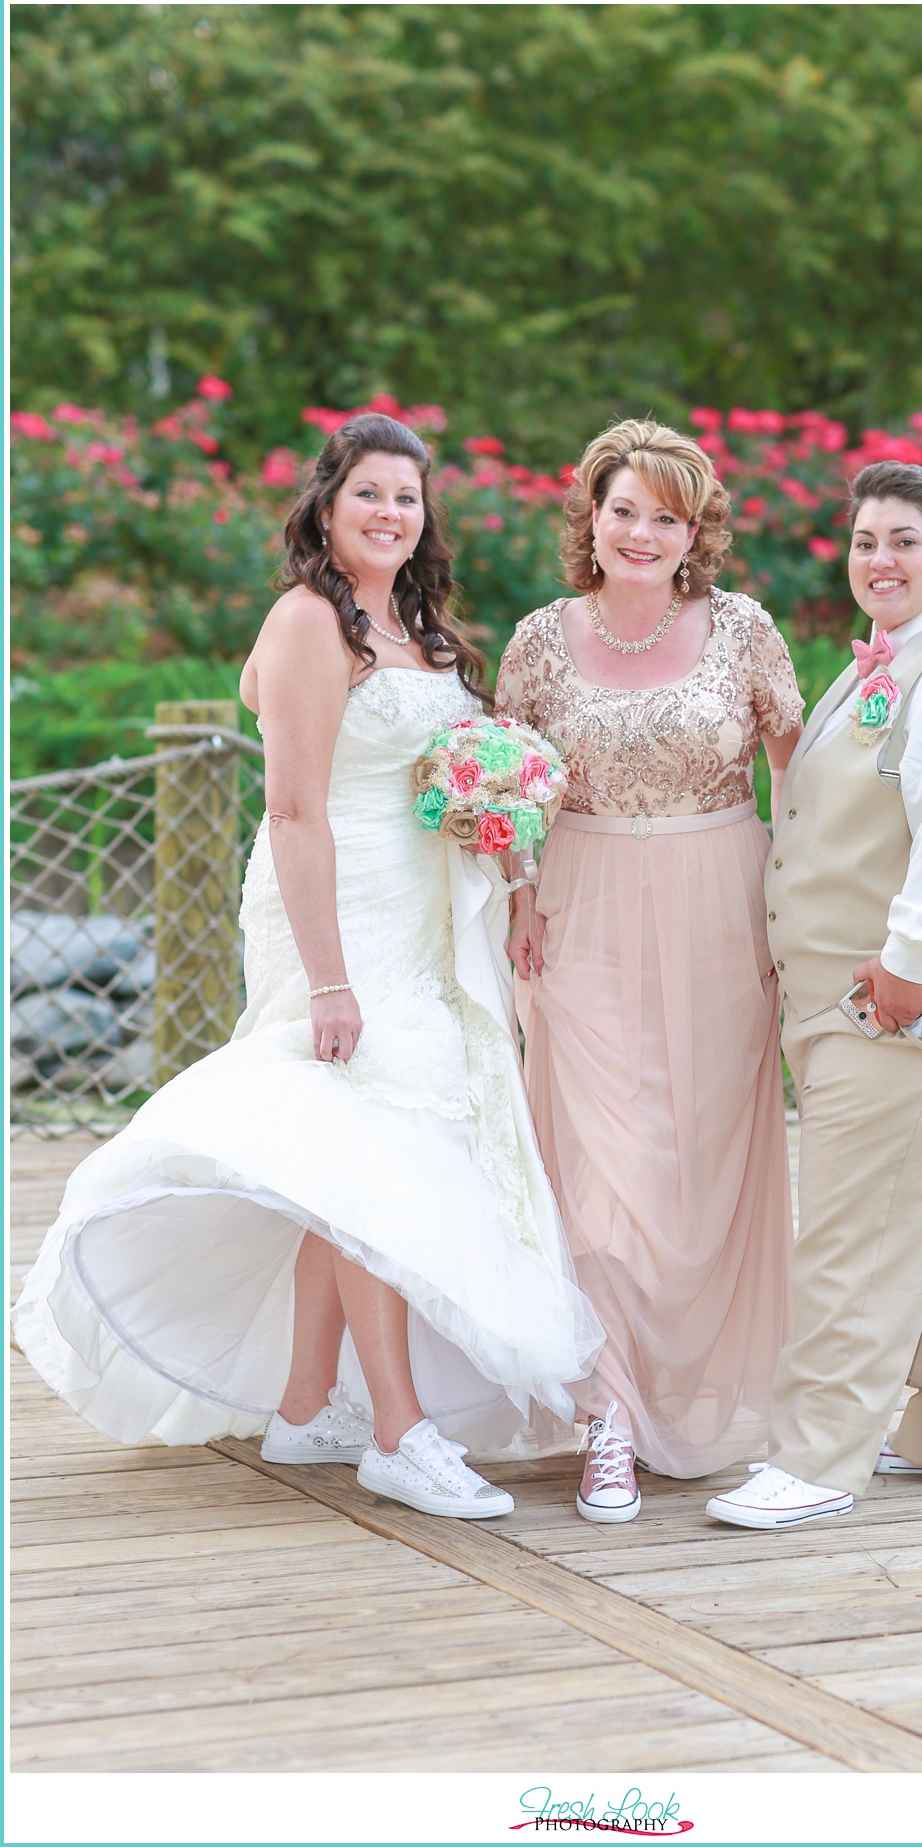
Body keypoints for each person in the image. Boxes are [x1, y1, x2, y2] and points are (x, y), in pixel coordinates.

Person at [12, 412, 602, 1519]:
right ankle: (397, 1429)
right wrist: (330, 980)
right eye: (369, 492)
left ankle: (301, 1406)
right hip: (334, 905)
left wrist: (490, 810)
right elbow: (292, 812)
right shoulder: (304, 623)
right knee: (371, 1137)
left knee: (358, 1143)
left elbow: (428, 767)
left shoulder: (414, 621)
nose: (390, 512)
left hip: (420, 906)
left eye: (407, 496)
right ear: (327, 506)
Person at [707, 459, 922, 1531]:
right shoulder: (893, 661)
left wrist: (907, 966)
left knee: (853, 1230)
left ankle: (815, 1458)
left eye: (903, 540)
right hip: (871, 995)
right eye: (864, 541)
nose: (880, 559)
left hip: (914, 997)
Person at [495, 419, 804, 1522]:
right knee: (597, 1163)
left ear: (694, 532)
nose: (641, 531)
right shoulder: (539, 638)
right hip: (579, 916)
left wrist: (804, 915)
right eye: (624, 509)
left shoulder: (743, 630)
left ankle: (699, 1390)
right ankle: (606, 1417)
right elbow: (509, 784)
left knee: (697, 1166)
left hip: (722, 911)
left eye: (665, 516)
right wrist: (523, 897)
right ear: (594, 516)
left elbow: (799, 779)